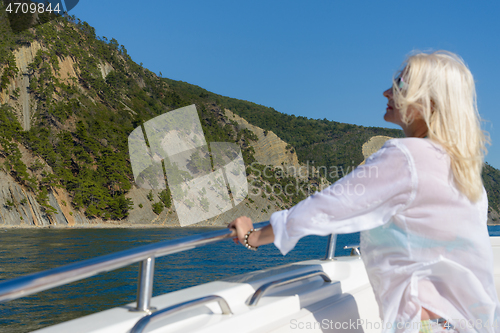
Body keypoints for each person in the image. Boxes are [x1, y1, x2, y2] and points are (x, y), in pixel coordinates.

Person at [228, 50, 500, 333]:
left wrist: (254, 235)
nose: (386, 92)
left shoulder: (408, 156)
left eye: (400, 85)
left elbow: (327, 206)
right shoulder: (462, 170)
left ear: (429, 101)